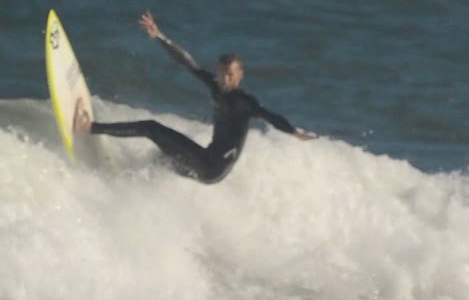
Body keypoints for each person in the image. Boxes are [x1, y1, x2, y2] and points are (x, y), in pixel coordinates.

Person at [74, 11, 317, 184]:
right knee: (160, 159)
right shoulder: (215, 86)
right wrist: (160, 36)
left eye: (231, 75)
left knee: (151, 128)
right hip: (209, 166)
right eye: (222, 73)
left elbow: (270, 116)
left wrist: (294, 132)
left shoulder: (244, 102)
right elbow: (187, 62)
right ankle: (120, 182)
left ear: (240, 76)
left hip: (211, 166)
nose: (225, 78)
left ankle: (88, 127)